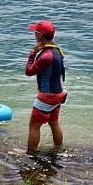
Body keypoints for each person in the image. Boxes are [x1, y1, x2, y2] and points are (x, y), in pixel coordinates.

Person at [26, 19, 66, 152]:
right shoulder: (57, 50)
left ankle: (31, 153)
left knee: (34, 126)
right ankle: (58, 149)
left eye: (35, 32)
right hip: (58, 94)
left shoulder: (45, 56)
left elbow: (29, 71)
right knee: (54, 123)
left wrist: (32, 53)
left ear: (40, 35)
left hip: (46, 97)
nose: (34, 35)